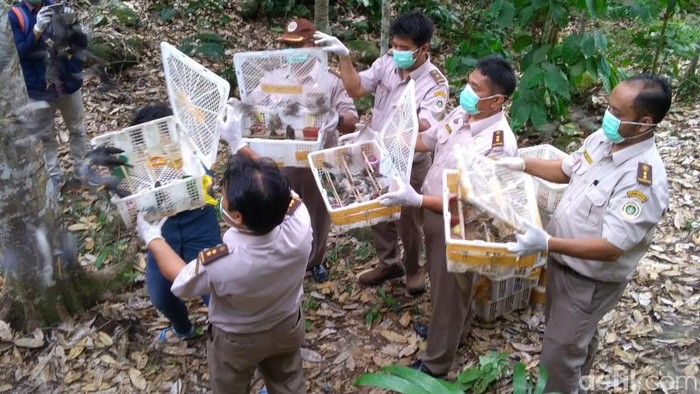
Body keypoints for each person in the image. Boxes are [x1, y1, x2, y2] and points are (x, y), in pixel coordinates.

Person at [499, 74, 671, 393]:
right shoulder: (603, 140)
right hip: (563, 264)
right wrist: (520, 162)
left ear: (645, 122)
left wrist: (548, 242)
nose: (608, 116)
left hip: (589, 281)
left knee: (558, 355)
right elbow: (567, 170)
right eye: (609, 106)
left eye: (618, 113)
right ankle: (580, 374)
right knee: (573, 338)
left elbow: (611, 247)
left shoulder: (641, 181)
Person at [135, 104, 313, 393]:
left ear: (238, 217)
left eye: (226, 199)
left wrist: (152, 235)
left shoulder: (222, 263)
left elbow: (180, 278)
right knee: (287, 379)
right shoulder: (299, 224)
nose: (222, 199)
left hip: (237, 340)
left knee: (230, 384)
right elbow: (278, 185)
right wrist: (238, 144)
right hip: (287, 324)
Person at [379, 55, 518, 377]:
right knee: (445, 285)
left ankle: (436, 362)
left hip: (459, 225)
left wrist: (417, 198)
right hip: (433, 211)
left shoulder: (498, 144)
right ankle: (452, 332)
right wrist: (385, 143)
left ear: (496, 100)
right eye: (468, 82)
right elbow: (429, 140)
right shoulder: (462, 113)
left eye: (474, 87)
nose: (465, 91)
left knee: (451, 288)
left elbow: (473, 203)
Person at [314, 10, 449, 295]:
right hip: (374, 152)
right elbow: (355, 88)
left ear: (424, 49)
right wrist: (344, 56)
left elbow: (425, 127)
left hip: (409, 161)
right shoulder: (386, 63)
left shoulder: (435, 84)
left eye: (405, 48)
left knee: (408, 220)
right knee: (377, 209)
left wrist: (391, 130)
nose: (397, 52)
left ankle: (413, 269)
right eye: (395, 45)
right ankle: (389, 262)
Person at [128, 103, 222, 342]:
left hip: (199, 227)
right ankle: (182, 328)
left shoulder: (193, 153)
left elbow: (206, 182)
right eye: (149, 145)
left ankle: (227, 337)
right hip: (164, 232)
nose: (156, 150)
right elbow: (129, 195)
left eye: (162, 141)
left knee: (216, 294)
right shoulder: (137, 164)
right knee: (161, 295)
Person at [276, 18, 359, 283]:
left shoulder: (330, 81)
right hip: (282, 159)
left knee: (316, 214)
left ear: (313, 45)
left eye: (298, 45)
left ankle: (315, 261)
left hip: (318, 160)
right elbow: (256, 105)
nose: (291, 52)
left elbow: (351, 119)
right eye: (287, 47)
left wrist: (334, 118)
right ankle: (284, 260)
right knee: (280, 210)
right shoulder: (275, 77)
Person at [9, 0, 93, 191]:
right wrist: (37, 29)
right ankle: (54, 176)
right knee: (46, 136)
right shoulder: (15, 16)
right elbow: (17, 53)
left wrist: (72, 23)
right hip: (39, 86)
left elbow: (81, 43)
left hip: (66, 80)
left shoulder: (57, 7)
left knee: (77, 128)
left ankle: (82, 169)